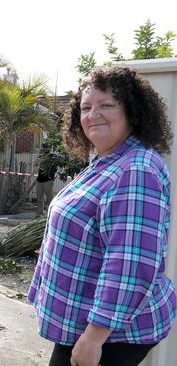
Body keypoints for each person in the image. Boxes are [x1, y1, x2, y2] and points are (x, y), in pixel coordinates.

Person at [28, 66, 176, 366]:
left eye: (106, 105)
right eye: (86, 107)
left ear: (133, 111)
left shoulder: (136, 170)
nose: (93, 114)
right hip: (86, 320)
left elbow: (130, 264)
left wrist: (94, 338)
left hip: (110, 333)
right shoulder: (107, 161)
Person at [36, 142, 58, 215]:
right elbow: (35, 164)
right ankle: (39, 214)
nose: (45, 148)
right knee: (39, 198)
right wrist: (38, 155)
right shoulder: (41, 156)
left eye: (47, 147)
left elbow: (54, 167)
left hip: (48, 180)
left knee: (49, 198)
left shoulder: (53, 156)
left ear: (50, 148)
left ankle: (50, 214)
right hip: (39, 180)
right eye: (44, 147)